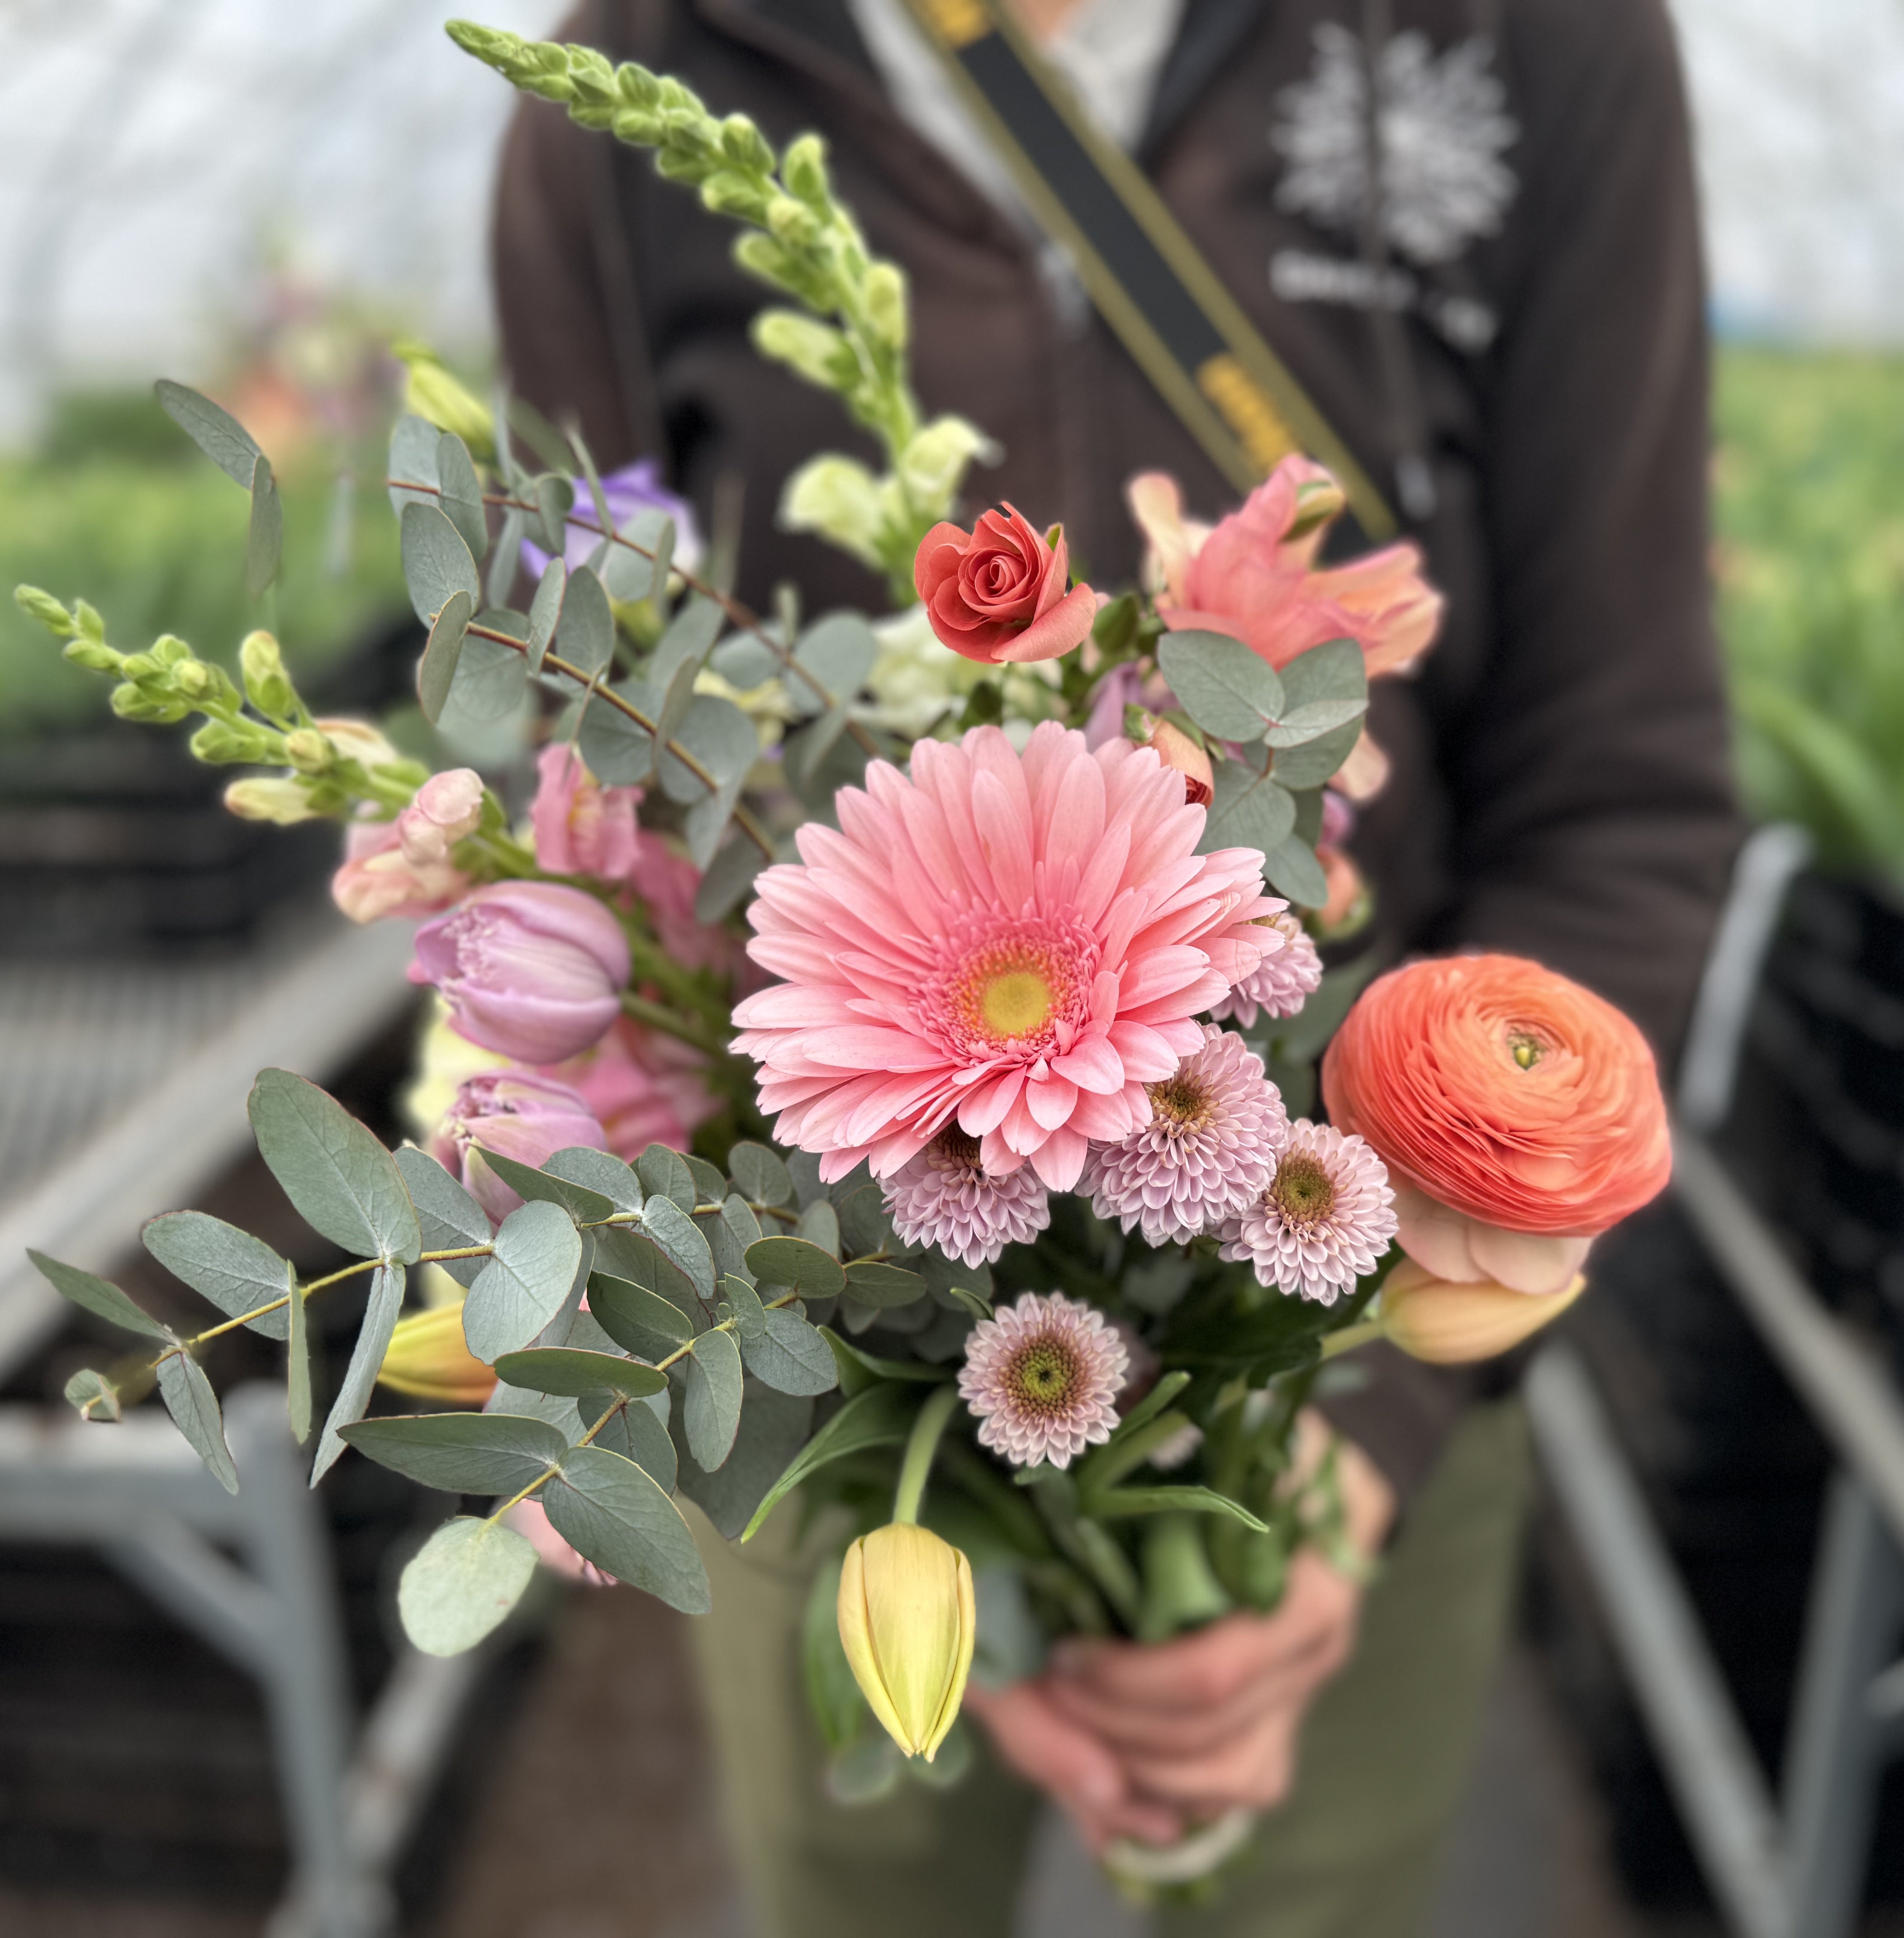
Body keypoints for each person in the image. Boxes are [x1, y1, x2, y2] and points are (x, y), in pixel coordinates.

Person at [489, 0, 1742, 1929]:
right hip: (822, 1358)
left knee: (1300, 1890)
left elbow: (1619, 802)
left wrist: (1351, 1452)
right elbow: (589, 778)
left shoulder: (1536, 42)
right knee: (857, 1880)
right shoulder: (635, 81)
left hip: (1344, 1302)